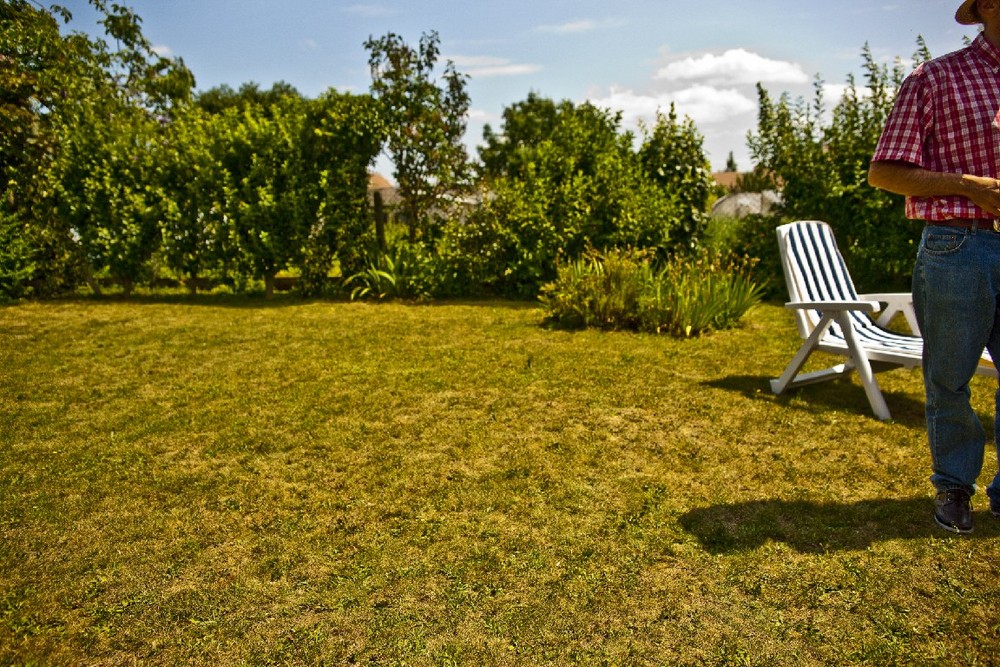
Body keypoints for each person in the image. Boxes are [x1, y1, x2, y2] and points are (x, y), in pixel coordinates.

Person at [868, 0, 1000, 534]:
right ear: (988, 6)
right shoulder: (936, 78)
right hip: (958, 247)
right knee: (950, 378)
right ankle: (955, 486)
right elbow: (885, 172)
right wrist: (968, 185)